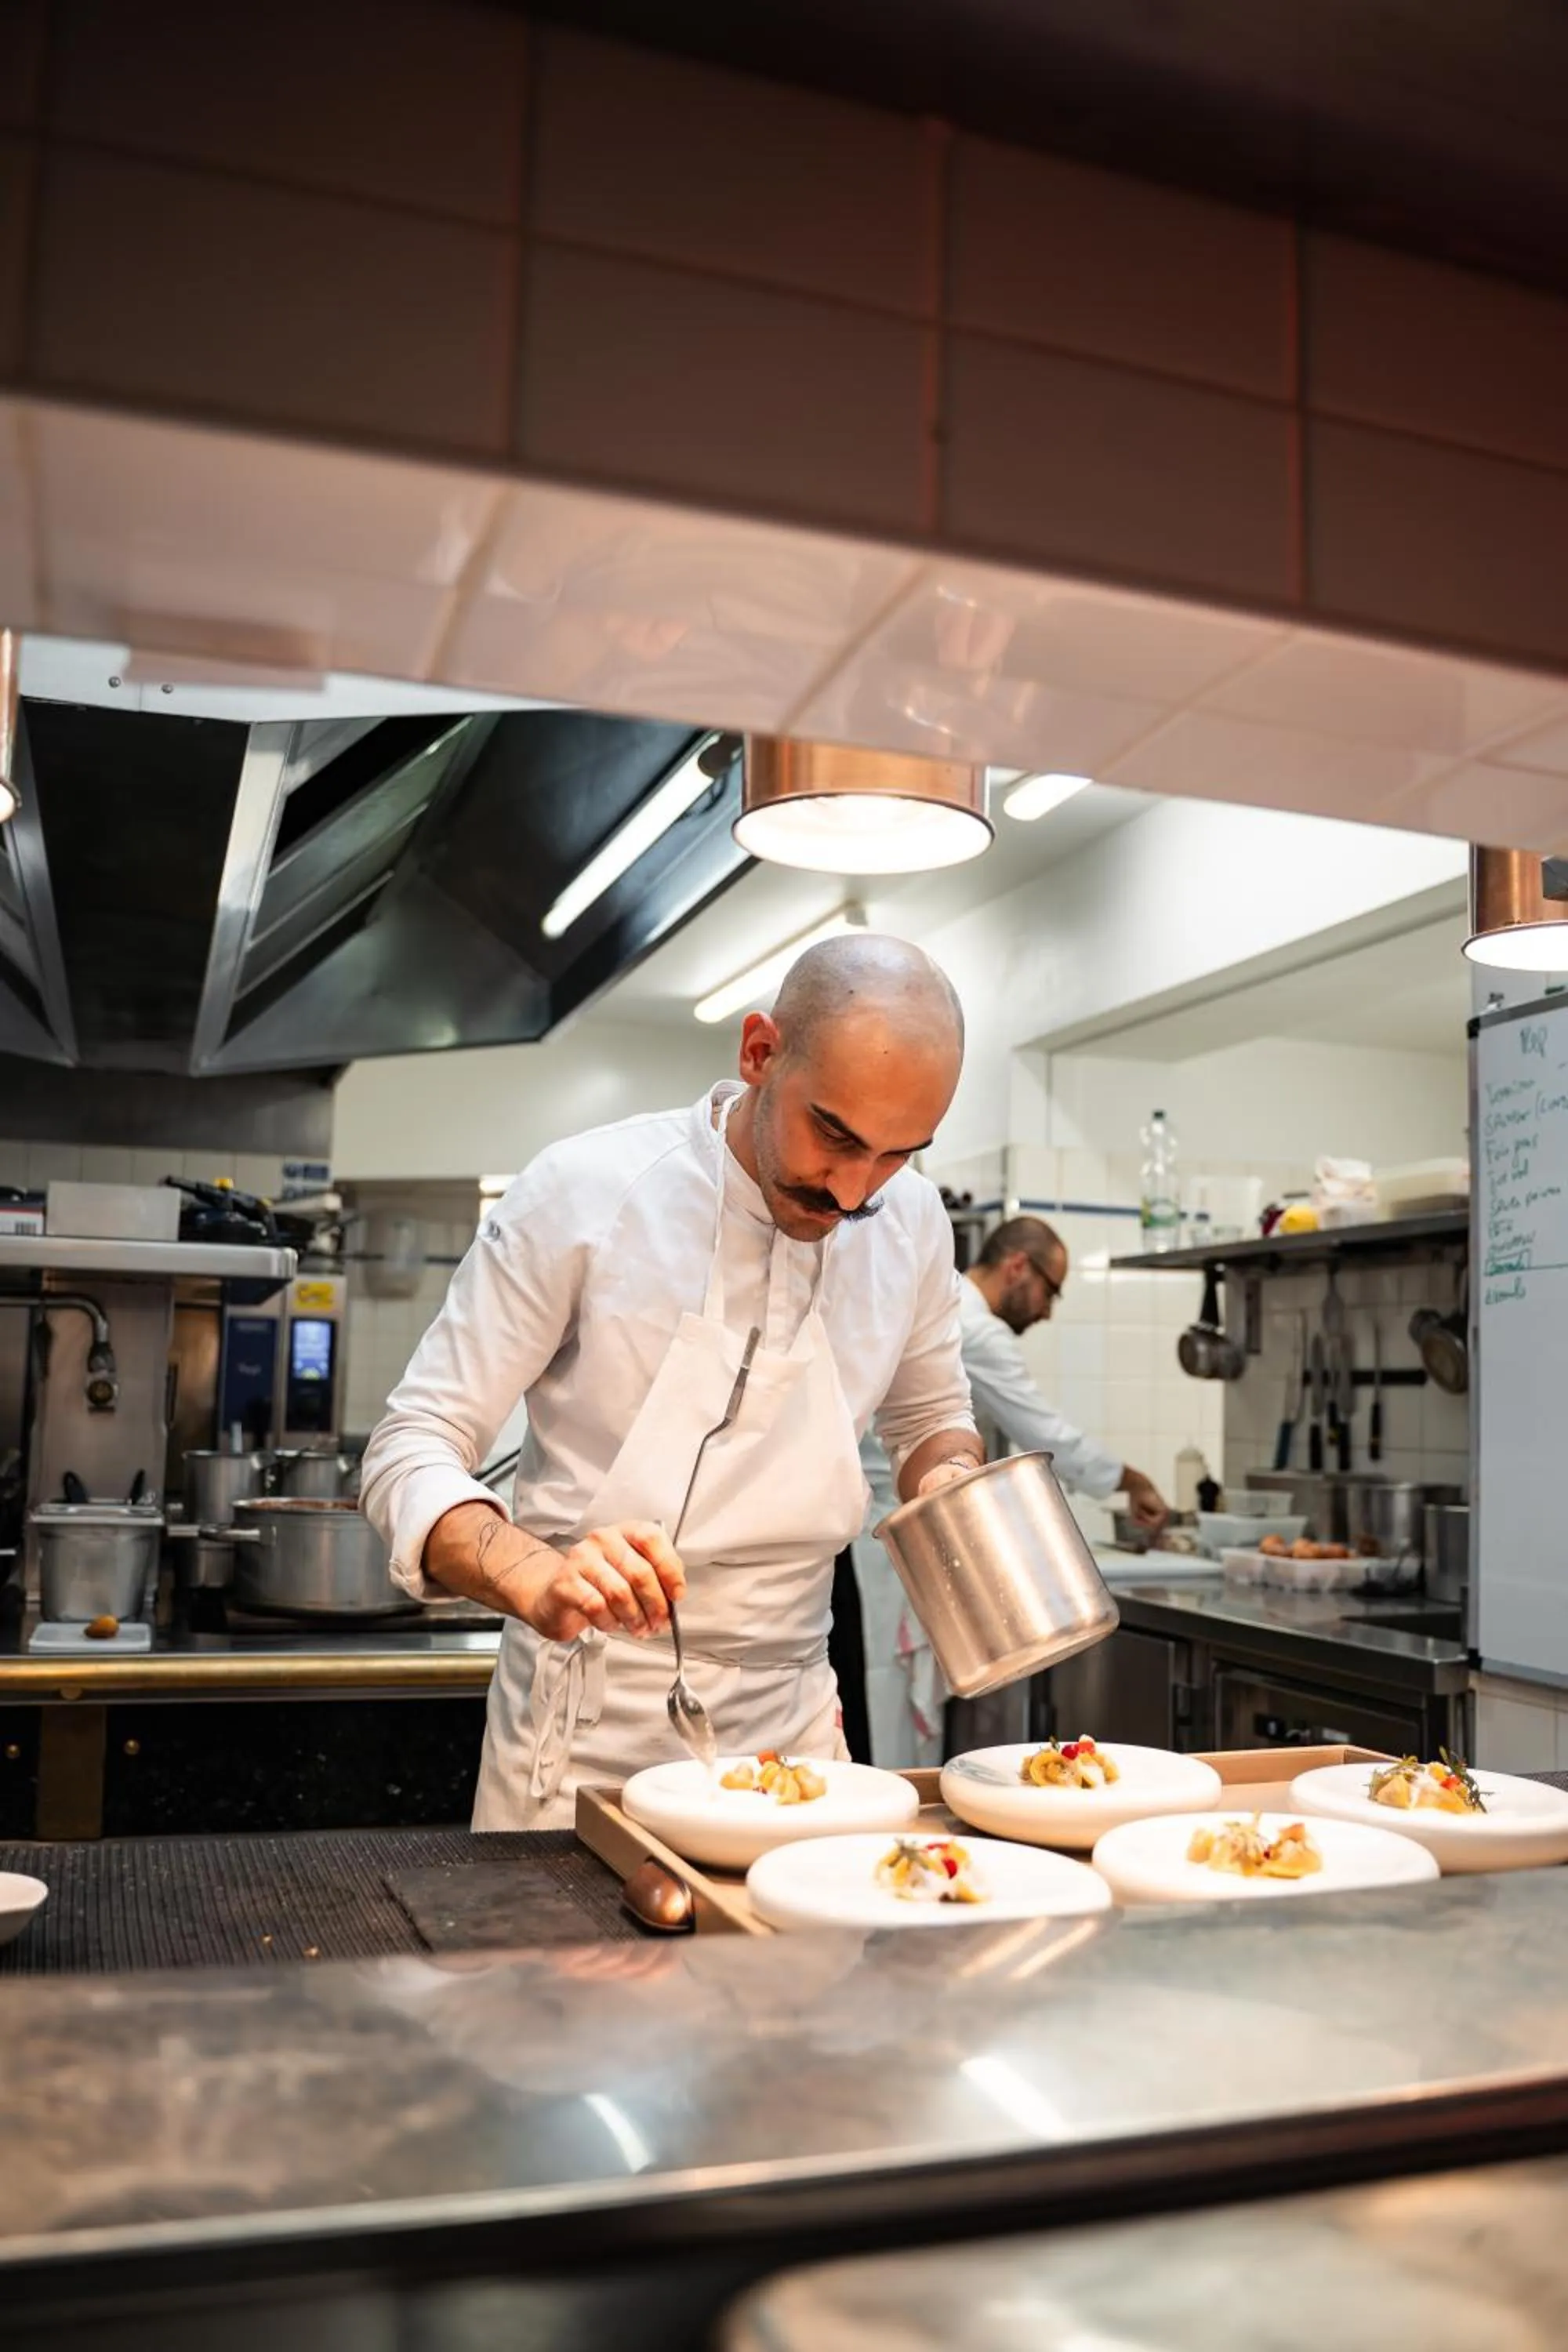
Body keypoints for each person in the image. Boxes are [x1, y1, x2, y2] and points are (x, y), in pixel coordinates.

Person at [360, 935, 983, 1829]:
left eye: (896, 1155)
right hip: (589, 1730)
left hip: (796, 1732)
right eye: (835, 1135)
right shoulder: (585, 1191)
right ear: (759, 1052)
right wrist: (537, 1574)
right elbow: (411, 1444)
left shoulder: (912, 1220)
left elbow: (929, 1416)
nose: (853, 1194)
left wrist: (953, 1483)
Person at [844, 1213, 1170, 1767]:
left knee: (881, 1704)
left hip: (875, 1539)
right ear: (1018, 1266)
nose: (1047, 1310)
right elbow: (1044, 1433)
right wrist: (1130, 1480)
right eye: (1051, 1290)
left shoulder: (945, 1310)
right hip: (892, 1545)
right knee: (891, 1708)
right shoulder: (975, 1329)